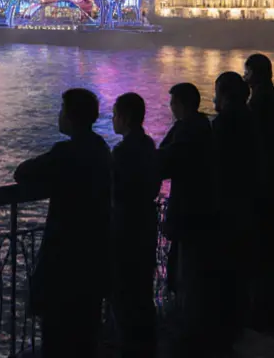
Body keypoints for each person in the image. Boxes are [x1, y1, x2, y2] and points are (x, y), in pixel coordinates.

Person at [14, 88, 112, 358]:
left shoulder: (66, 152)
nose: (59, 115)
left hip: (65, 258)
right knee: (85, 334)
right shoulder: (101, 149)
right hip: (93, 255)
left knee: (58, 335)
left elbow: (22, 173)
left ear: (70, 117)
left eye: (61, 110)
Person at [158, 82, 217, 357]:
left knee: (188, 273)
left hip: (189, 212)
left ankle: (189, 337)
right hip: (203, 211)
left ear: (180, 104)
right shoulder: (204, 126)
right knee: (194, 272)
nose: (170, 108)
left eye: (173, 103)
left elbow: (164, 158)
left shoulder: (187, 130)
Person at [244, 54, 274, 333]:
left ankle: (264, 314)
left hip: (267, 186)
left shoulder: (261, 101)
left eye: (246, 71)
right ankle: (270, 310)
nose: (244, 76)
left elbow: (257, 143)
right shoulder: (271, 97)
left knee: (265, 249)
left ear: (255, 73)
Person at [110, 93, 161, 358]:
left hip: (126, 228)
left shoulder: (122, 152)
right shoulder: (148, 145)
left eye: (115, 114)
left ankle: (128, 348)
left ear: (126, 118)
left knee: (125, 293)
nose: (112, 119)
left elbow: (115, 190)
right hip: (146, 224)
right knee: (142, 292)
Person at [210, 71, 259, 350]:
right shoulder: (250, 118)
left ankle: (225, 334)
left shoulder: (225, 124)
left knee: (227, 273)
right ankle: (238, 328)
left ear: (225, 94)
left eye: (216, 91)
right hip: (247, 206)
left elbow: (216, 166)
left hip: (228, 210)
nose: (214, 97)